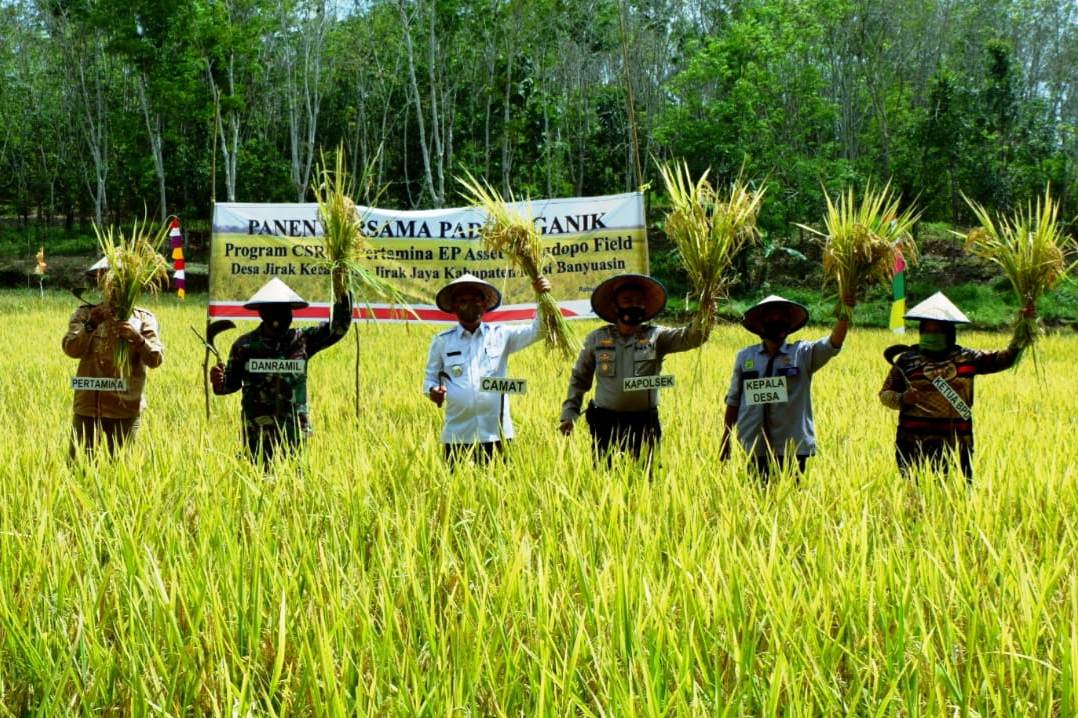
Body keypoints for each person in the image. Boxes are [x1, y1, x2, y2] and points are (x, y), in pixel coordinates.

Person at [878, 292, 1028, 482]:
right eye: (927, 331)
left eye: (938, 331)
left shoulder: (968, 358)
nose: (931, 335)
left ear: (949, 334)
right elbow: (885, 394)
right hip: (913, 440)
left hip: (956, 441)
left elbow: (1006, 358)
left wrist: (1024, 327)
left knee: (955, 492)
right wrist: (902, 399)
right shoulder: (907, 360)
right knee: (915, 491)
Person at [560, 274, 706, 464]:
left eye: (638, 301)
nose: (633, 305)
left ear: (645, 307)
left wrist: (706, 313)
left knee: (648, 479)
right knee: (606, 477)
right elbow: (580, 378)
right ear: (615, 306)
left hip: (644, 422)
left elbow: (692, 337)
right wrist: (569, 414)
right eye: (627, 300)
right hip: (606, 422)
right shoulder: (597, 338)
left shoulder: (656, 336)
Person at [210, 276, 352, 464]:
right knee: (256, 479)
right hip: (257, 433)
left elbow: (338, 327)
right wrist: (218, 381)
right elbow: (229, 386)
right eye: (273, 310)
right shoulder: (245, 346)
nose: (280, 316)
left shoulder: (302, 340)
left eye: (284, 310)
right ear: (262, 313)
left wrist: (341, 286)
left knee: (293, 484)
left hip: (293, 430)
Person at [720, 294, 852, 481]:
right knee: (756, 501)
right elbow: (734, 399)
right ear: (761, 324)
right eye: (771, 318)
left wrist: (845, 314)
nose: (777, 321)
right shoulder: (745, 357)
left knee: (790, 502)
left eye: (781, 318)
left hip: (792, 447)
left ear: (788, 326)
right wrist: (726, 439)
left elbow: (833, 343)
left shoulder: (802, 354)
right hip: (754, 446)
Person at [424, 273, 552, 464]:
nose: (469, 304)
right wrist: (433, 391)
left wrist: (542, 297)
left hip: (497, 434)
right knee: (458, 491)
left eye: (475, 299)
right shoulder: (442, 341)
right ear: (454, 307)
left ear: (484, 305)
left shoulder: (501, 335)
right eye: (463, 300)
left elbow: (540, 330)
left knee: (501, 490)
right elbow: (430, 379)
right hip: (458, 434)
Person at [63, 257, 164, 458]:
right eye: (108, 281)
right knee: (78, 470)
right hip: (88, 409)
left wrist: (138, 339)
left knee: (121, 472)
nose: (114, 288)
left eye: (120, 281)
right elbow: (70, 349)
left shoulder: (143, 318)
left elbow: (156, 359)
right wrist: (91, 325)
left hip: (124, 410)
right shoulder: (85, 314)